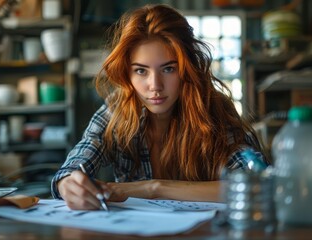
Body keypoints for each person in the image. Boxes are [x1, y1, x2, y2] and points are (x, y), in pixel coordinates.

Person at [51, 4, 269, 210]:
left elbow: (258, 185)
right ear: (127, 73)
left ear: (187, 69)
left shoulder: (213, 110)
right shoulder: (117, 110)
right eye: (141, 71)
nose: (155, 86)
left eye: (168, 69)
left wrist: (153, 188)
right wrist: (67, 185)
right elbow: (72, 167)